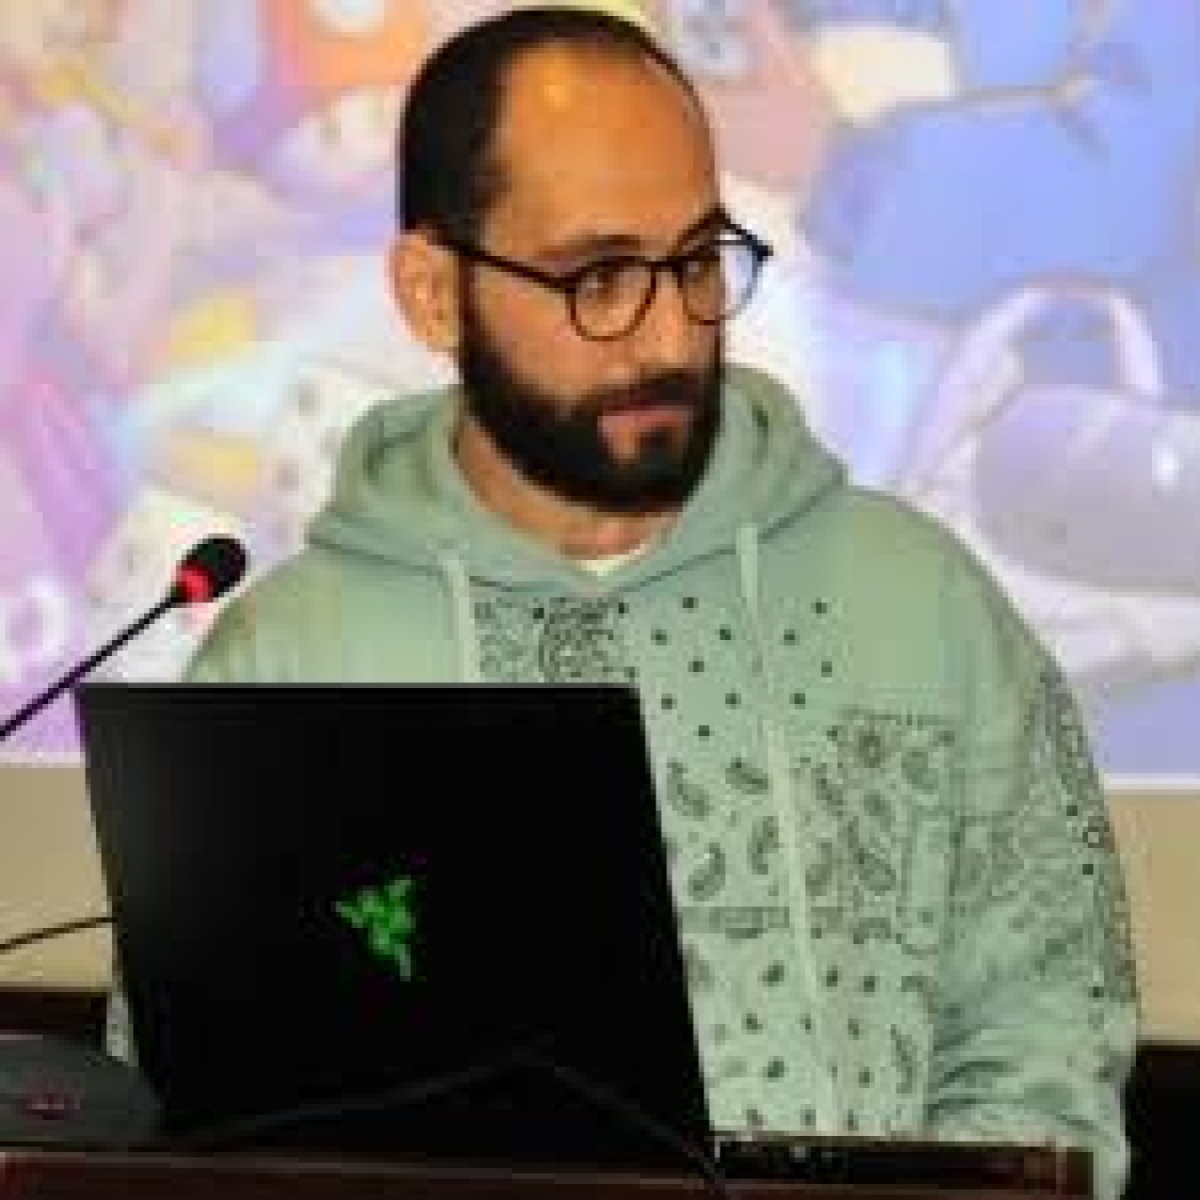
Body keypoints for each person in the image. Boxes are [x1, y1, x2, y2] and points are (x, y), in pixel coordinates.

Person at [129, 6, 1140, 1195]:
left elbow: (1050, 1045)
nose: (665, 335)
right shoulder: (289, 660)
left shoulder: (923, 605)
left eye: (697, 263)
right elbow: (205, 1111)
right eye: (599, 277)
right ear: (434, 292)